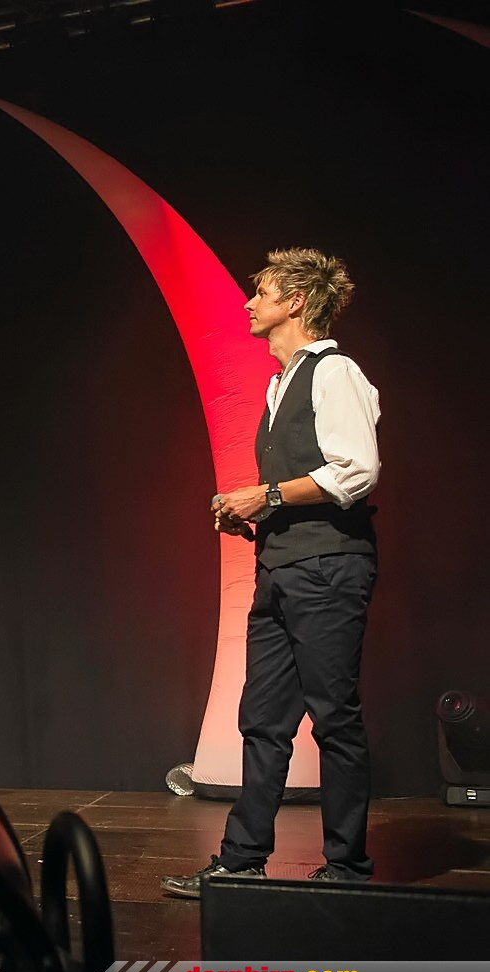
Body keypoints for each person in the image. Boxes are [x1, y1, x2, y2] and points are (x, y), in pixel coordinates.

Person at [162, 248, 380, 897]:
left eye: (262, 292)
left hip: (329, 567)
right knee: (263, 719)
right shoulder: (278, 384)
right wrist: (250, 510)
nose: (249, 302)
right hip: (282, 567)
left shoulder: (335, 372)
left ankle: (347, 868)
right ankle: (242, 859)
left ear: (296, 301)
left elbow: (357, 469)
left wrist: (270, 495)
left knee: (333, 717)